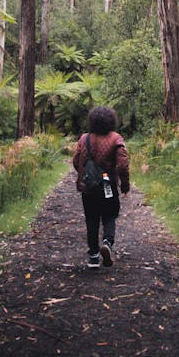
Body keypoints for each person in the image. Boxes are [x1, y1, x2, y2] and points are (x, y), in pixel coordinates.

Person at [73, 105, 130, 269]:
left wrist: (88, 176)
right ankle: (107, 242)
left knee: (91, 218)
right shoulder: (116, 138)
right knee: (109, 215)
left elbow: (76, 161)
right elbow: (123, 165)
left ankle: (93, 257)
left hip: (89, 187)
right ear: (112, 120)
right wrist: (124, 184)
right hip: (108, 185)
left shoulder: (84, 139)